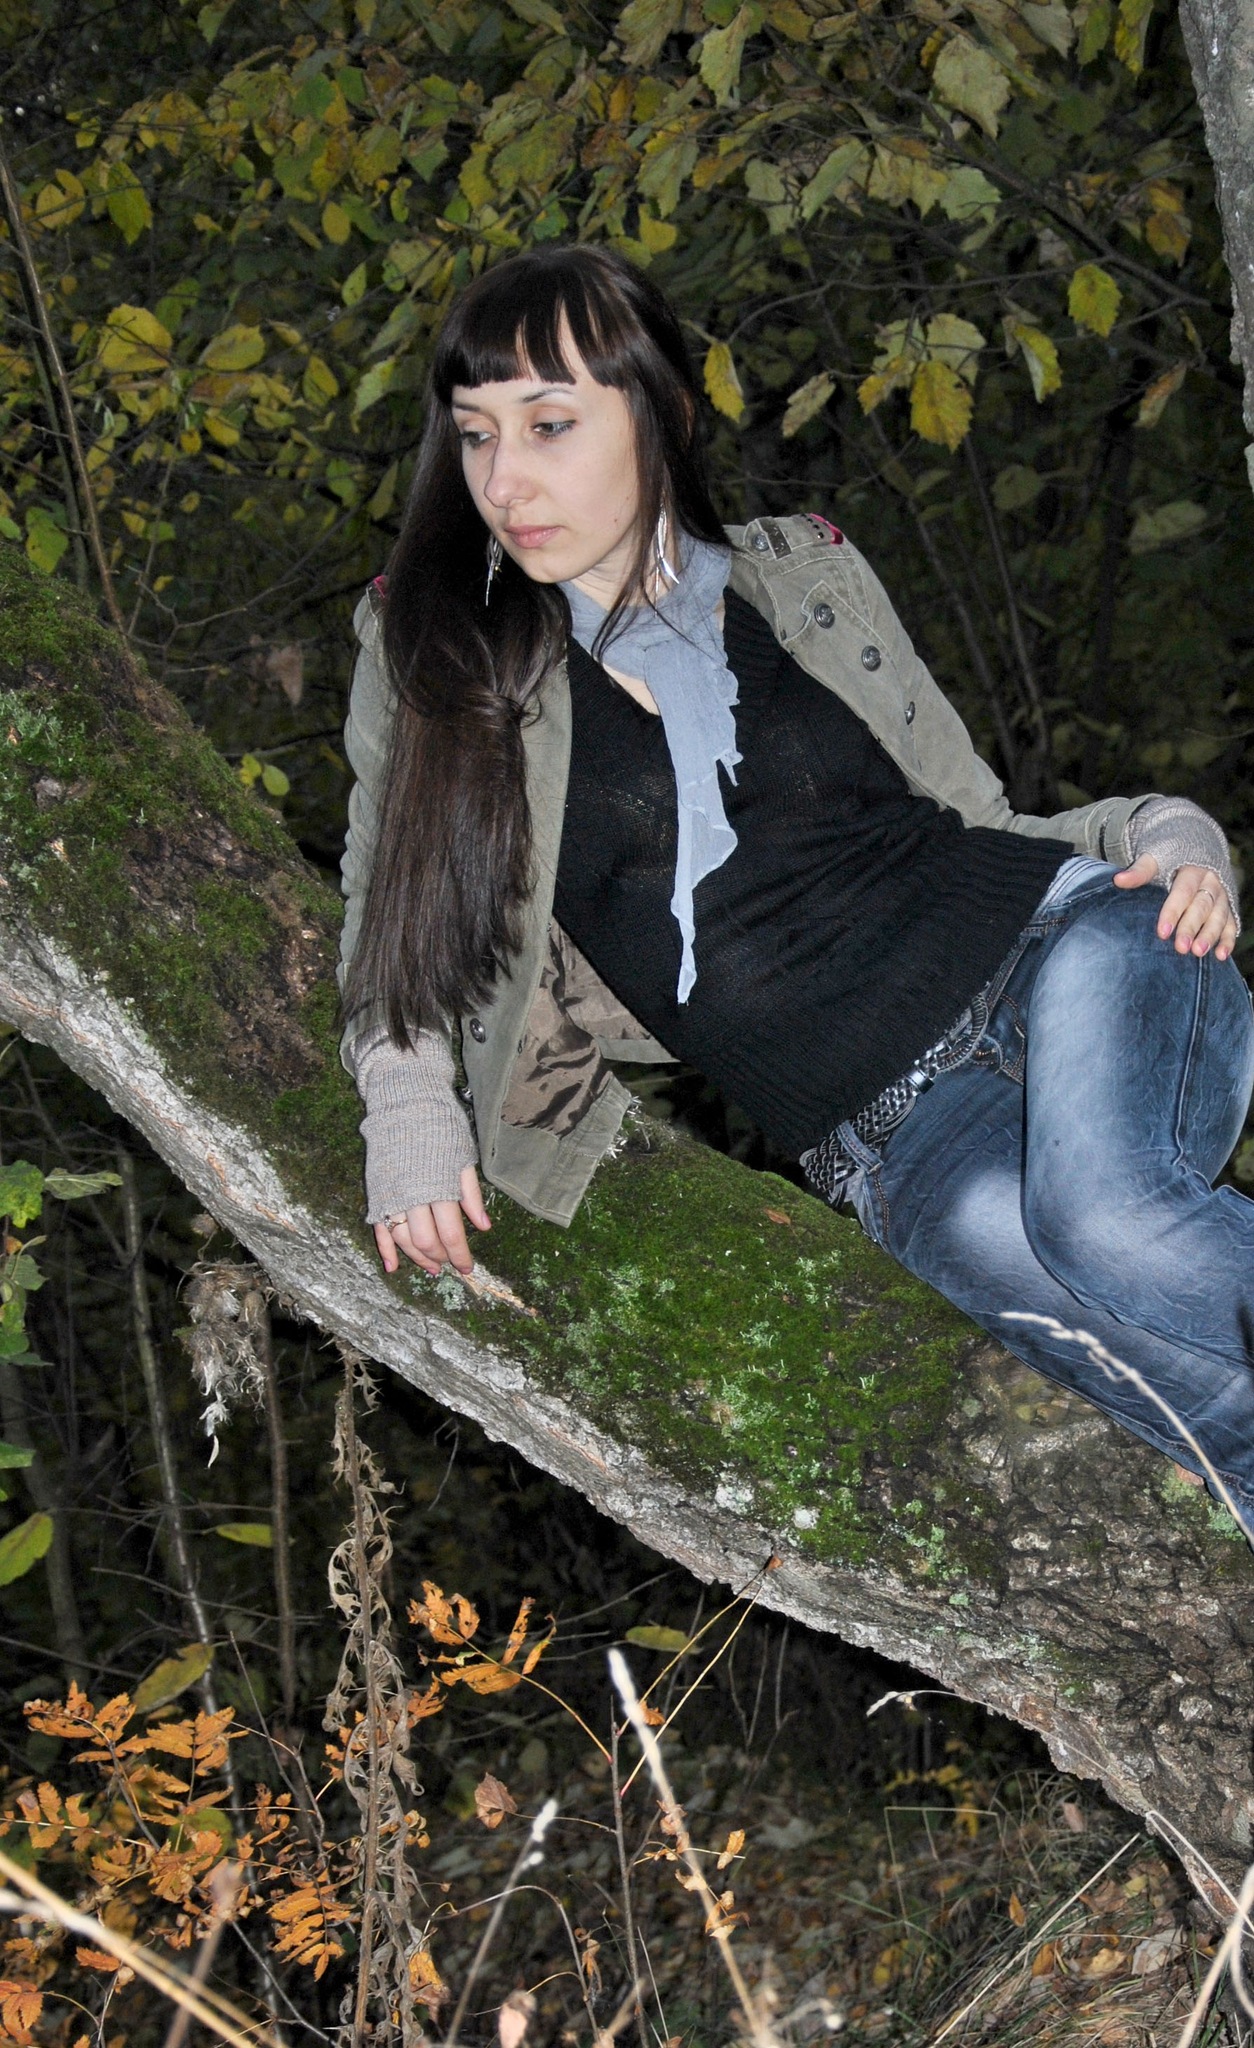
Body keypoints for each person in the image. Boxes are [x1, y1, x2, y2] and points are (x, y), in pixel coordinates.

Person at [339, 243, 1254, 1526]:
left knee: (1107, 1224)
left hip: (1062, 950)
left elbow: (983, 816)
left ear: (658, 412)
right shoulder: (442, 657)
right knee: (1173, 1389)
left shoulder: (797, 577)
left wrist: (1168, 829)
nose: (504, 480)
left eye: (549, 425)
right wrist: (405, 1105)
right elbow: (388, 920)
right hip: (889, 1135)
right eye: (478, 434)